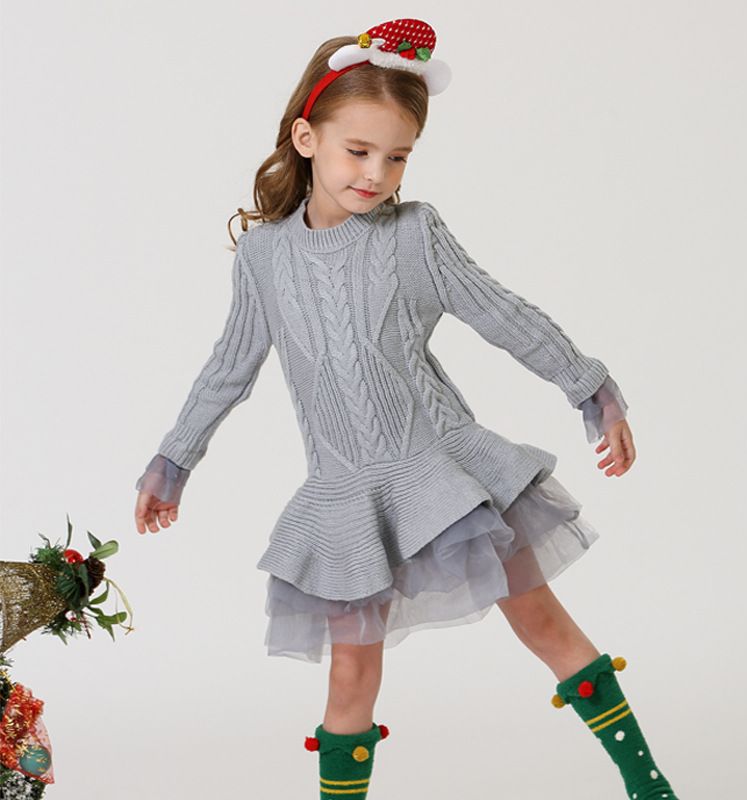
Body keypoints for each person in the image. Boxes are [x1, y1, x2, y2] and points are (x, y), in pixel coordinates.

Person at [133, 17, 679, 799]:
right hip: (347, 496)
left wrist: (591, 389)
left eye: (397, 156)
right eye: (359, 150)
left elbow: (502, 314)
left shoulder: (413, 234)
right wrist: (174, 459)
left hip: (447, 476)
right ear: (307, 137)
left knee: (540, 620)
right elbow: (229, 367)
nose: (377, 173)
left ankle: (649, 785)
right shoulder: (264, 256)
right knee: (351, 676)